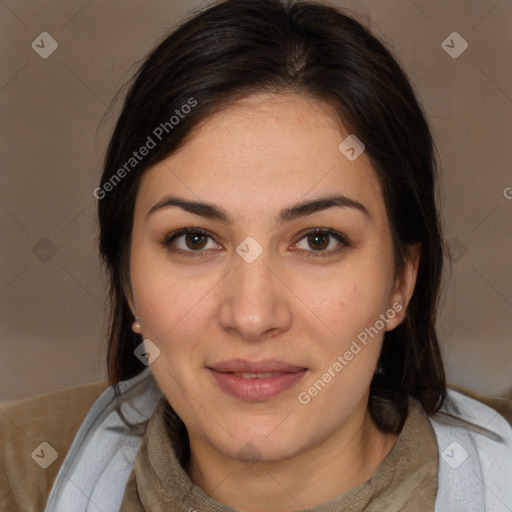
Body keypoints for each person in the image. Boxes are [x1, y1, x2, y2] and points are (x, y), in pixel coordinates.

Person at [1, 0, 512, 510]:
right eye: (195, 240)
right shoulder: (19, 475)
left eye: (318, 240)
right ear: (128, 280)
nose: (252, 315)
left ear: (401, 280)